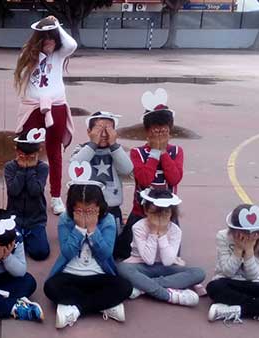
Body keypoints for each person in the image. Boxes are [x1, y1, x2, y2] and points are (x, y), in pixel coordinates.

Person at [44, 161, 132, 329]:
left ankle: (75, 309)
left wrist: (92, 230)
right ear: (72, 208)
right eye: (79, 211)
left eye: (90, 210)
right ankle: (105, 305)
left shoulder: (107, 221)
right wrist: (78, 229)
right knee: (50, 288)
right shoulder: (65, 219)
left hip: (98, 274)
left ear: (99, 207)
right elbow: (67, 252)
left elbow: (106, 254)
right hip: (70, 274)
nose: (85, 215)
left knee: (125, 287)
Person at [14, 16, 78, 215]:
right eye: (46, 37)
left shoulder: (60, 54)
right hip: (33, 108)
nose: (50, 40)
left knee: (54, 152)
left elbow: (72, 44)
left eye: (53, 37)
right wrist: (37, 52)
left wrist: (57, 25)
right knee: (27, 147)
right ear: (38, 39)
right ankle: (26, 191)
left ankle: (56, 197)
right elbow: (23, 73)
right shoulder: (28, 54)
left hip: (56, 107)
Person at [116, 188, 205, 307]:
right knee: (122, 268)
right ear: (146, 211)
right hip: (141, 266)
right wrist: (153, 232)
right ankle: (169, 296)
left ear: (172, 213)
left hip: (167, 268)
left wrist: (162, 233)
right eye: (155, 213)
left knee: (198, 273)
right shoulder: (138, 227)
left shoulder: (175, 230)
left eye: (165, 213)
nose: (160, 218)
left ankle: (143, 287)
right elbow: (148, 259)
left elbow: (168, 261)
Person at [125, 89, 184, 254]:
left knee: (171, 256)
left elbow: (174, 179)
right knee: (123, 252)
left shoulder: (177, 152)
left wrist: (163, 153)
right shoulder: (137, 153)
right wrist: (155, 152)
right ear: (147, 132)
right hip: (141, 212)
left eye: (163, 131)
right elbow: (144, 180)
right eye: (155, 131)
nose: (159, 135)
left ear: (170, 130)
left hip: (167, 215)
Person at [70, 112, 133, 259]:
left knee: (114, 248)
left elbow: (127, 168)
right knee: (88, 246)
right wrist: (92, 144)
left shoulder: (116, 151)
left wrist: (114, 145)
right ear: (88, 132)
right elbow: (76, 165)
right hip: (89, 208)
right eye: (99, 129)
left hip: (112, 207)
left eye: (109, 129)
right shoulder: (82, 149)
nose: (104, 134)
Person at [4, 128, 50, 261]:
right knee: (8, 251)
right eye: (23, 156)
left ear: (38, 152)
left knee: (41, 253)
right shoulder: (10, 167)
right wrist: (21, 170)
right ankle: (21, 238)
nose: (27, 160)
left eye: (32, 157)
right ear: (17, 152)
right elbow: (14, 191)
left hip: (36, 219)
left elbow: (35, 191)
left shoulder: (42, 168)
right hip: (14, 218)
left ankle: (28, 238)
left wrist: (29, 169)